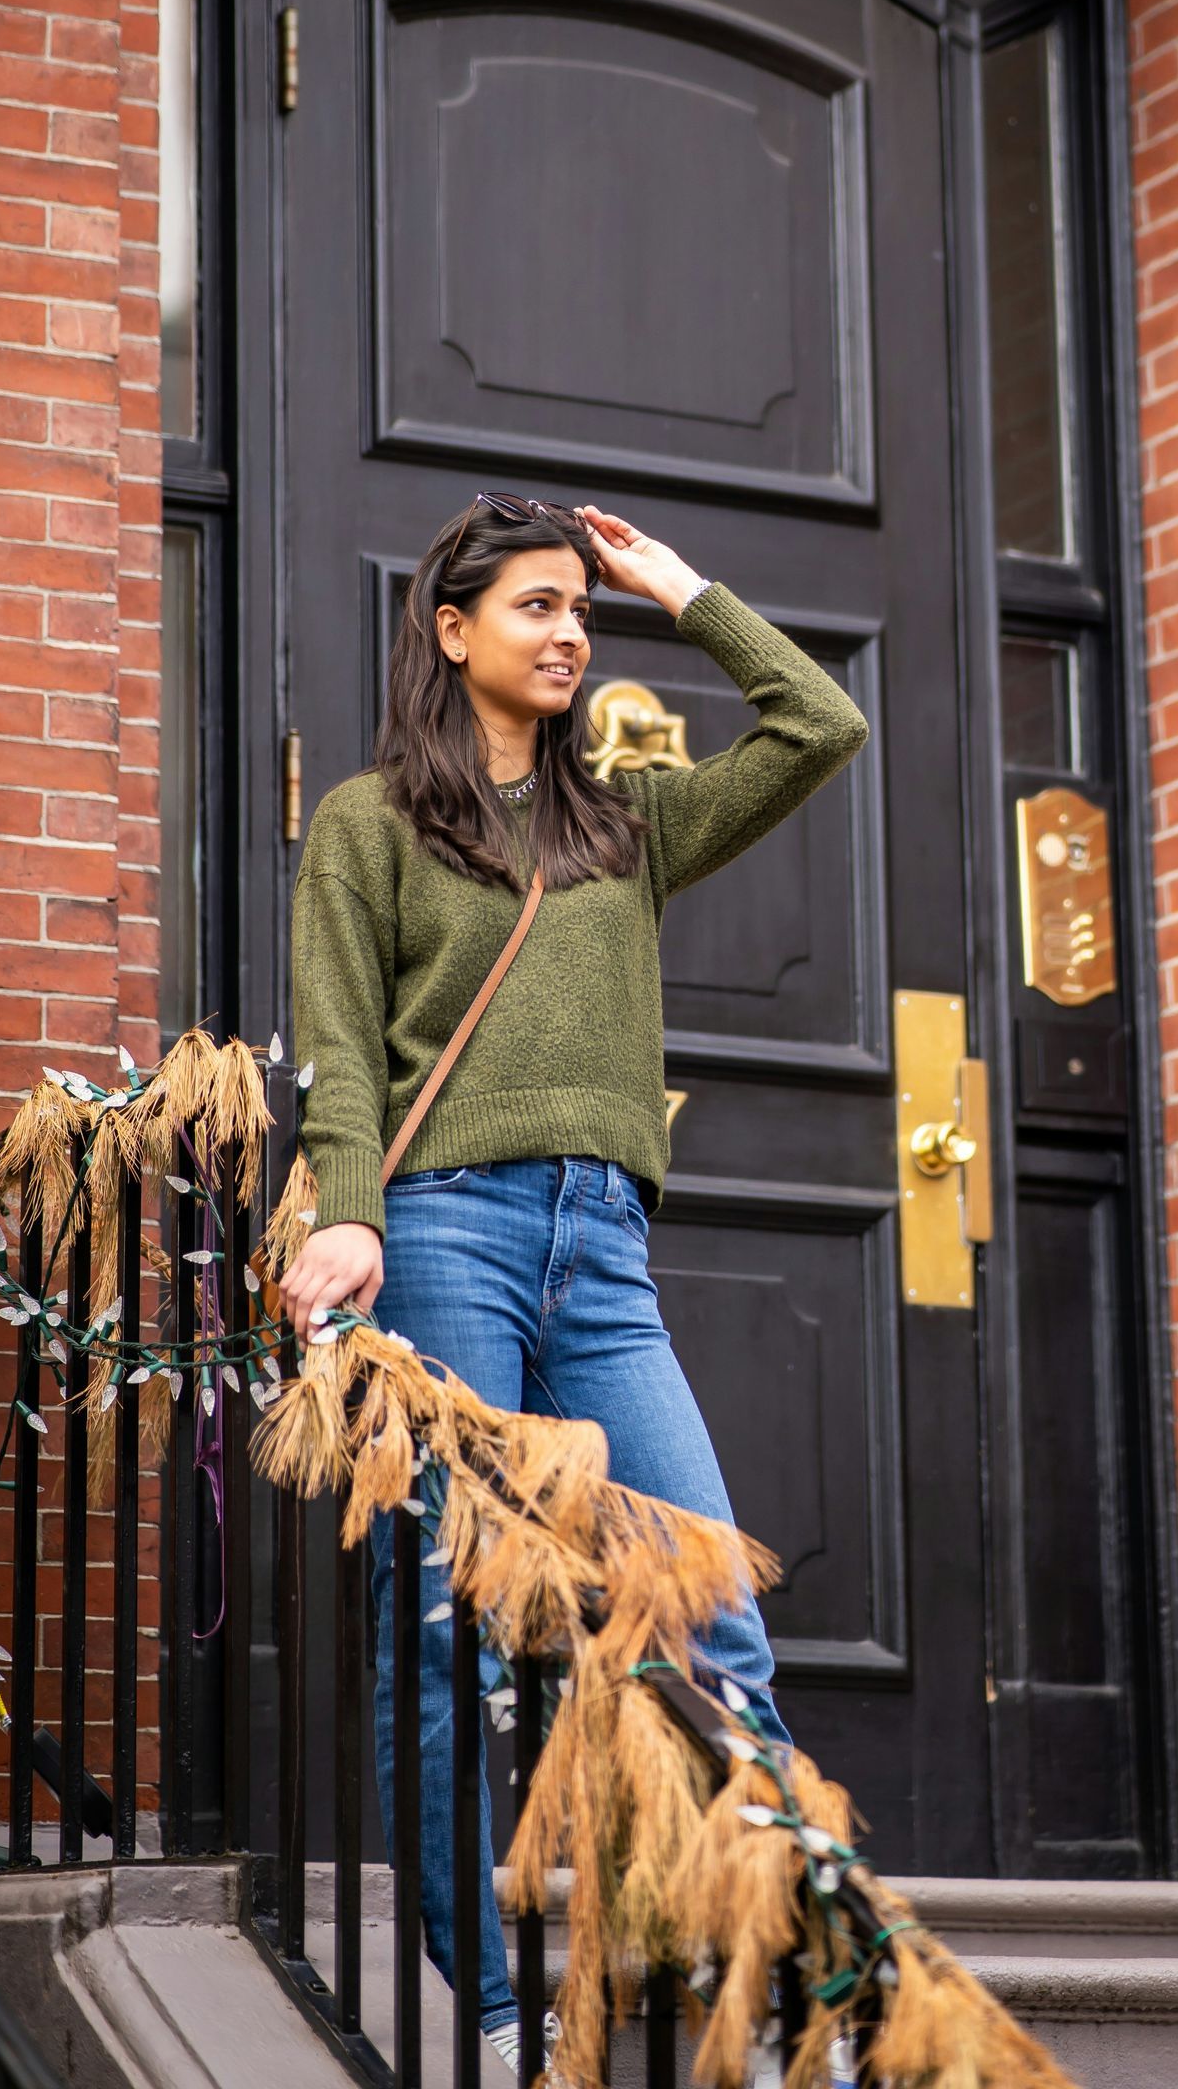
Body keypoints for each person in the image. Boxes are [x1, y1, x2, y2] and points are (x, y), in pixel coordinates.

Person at [280, 495, 868, 2072]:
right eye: (533, 606)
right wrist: (349, 1213)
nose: (565, 631)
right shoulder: (367, 826)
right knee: (448, 1625)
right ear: (451, 630)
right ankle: (489, 1996)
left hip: (606, 1255)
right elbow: (341, 1050)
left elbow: (823, 725)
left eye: (578, 610)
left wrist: (685, 592)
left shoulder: (629, 828)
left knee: (708, 1608)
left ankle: (780, 1951)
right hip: (450, 1229)